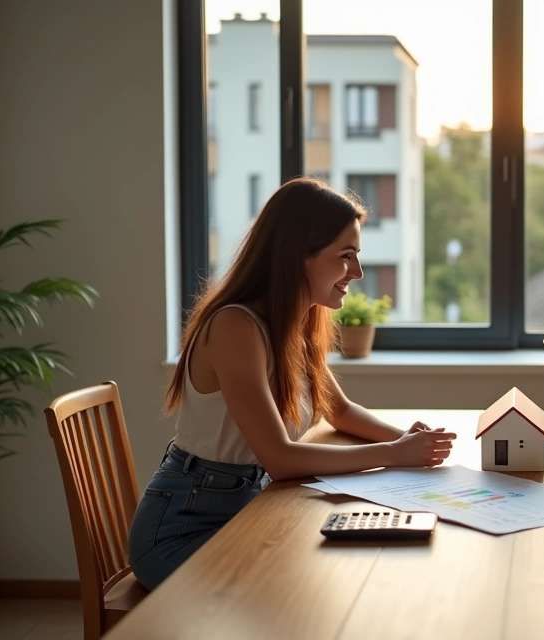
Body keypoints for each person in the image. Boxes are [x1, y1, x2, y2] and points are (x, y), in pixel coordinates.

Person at [129, 177, 456, 590]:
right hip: (183, 529)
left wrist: (410, 443)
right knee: (303, 595)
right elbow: (280, 459)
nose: (356, 271)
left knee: (327, 581)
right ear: (299, 256)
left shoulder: (293, 321)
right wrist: (394, 453)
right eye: (346, 256)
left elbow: (338, 410)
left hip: (249, 507)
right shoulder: (236, 326)